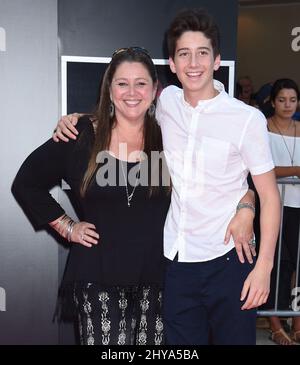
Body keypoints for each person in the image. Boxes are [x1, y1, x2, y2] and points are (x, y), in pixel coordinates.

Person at [54, 8, 281, 345]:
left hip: (229, 260)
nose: (193, 63)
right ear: (172, 64)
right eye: (184, 54)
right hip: (175, 265)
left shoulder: (246, 119)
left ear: (217, 60)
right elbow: (127, 107)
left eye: (202, 53)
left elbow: (270, 195)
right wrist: (78, 119)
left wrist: (263, 266)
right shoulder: (167, 103)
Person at [12, 46, 255, 346]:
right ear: (109, 88)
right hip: (97, 276)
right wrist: (68, 227)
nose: (132, 92)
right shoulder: (81, 134)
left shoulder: (172, 136)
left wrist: (247, 208)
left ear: (155, 90)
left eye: (141, 83)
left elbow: (230, 183)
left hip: (159, 277)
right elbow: (26, 182)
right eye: (122, 83)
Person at [265, 78, 300, 345]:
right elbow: (263, 168)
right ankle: (275, 324)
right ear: (272, 101)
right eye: (282, 100)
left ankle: (297, 322)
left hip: (298, 206)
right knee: (277, 264)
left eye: (293, 100)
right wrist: (297, 171)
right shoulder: (263, 128)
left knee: (298, 266)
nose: (287, 105)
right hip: (274, 206)